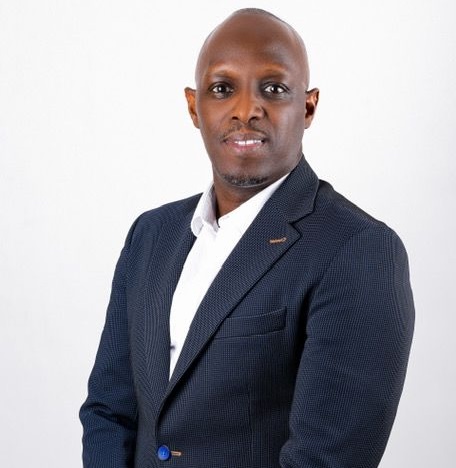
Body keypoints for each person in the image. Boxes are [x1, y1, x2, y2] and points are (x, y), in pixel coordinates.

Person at [80, 8, 414, 468]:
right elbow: (108, 411)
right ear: (194, 107)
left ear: (308, 107)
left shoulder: (358, 250)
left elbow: (324, 460)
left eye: (273, 89)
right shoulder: (151, 235)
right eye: (222, 89)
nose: (246, 110)